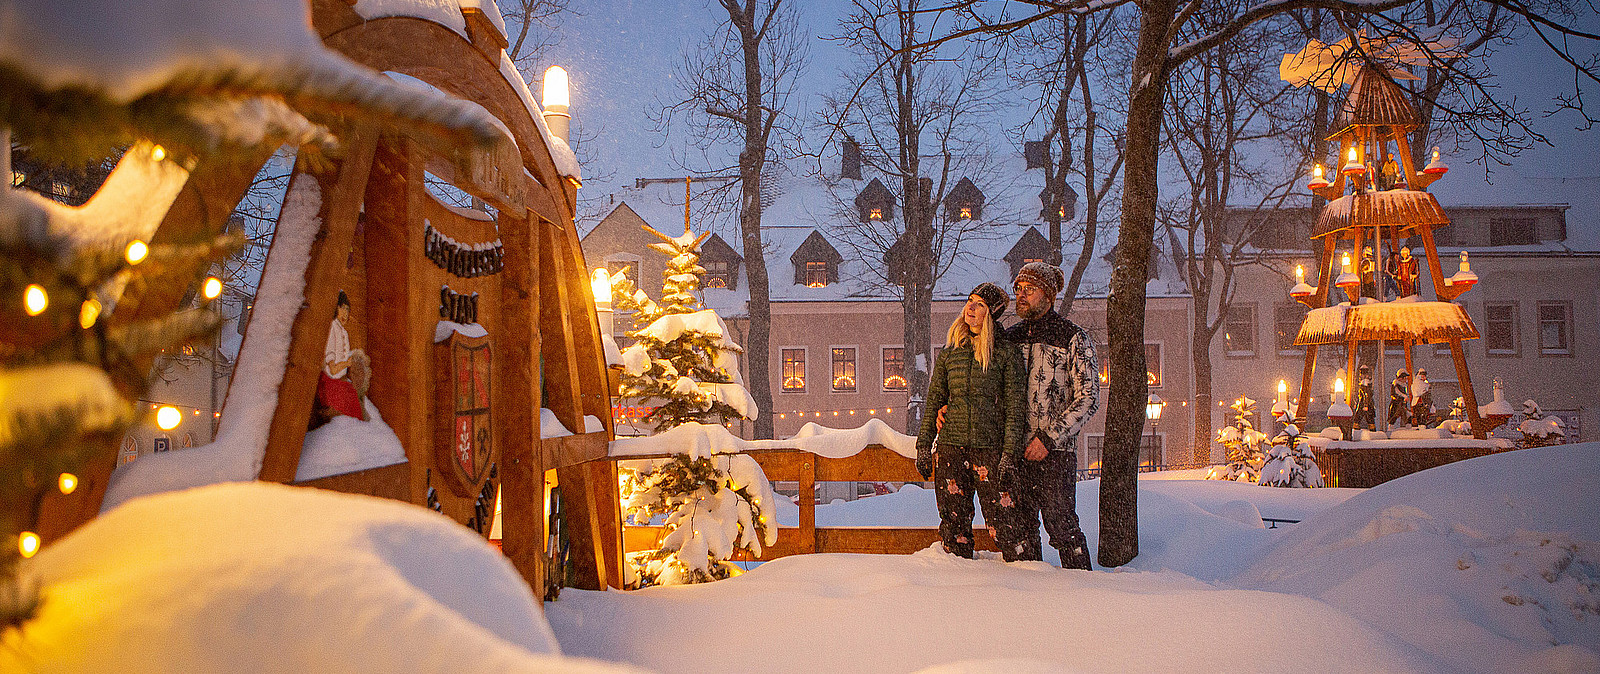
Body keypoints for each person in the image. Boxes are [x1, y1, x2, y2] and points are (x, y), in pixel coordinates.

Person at [916, 283, 1027, 559]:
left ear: (991, 314)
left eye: (980, 304)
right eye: (969, 301)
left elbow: (1015, 407)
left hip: (989, 449)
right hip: (951, 447)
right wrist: (924, 445)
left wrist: (1009, 454)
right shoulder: (951, 351)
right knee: (954, 528)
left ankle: (1025, 575)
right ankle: (958, 579)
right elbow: (935, 399)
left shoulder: (1005, 353)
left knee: (1004, 526)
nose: (971, 308)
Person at [1002, 262, 1099, 569]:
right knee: (1019, 533)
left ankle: (1083, 587)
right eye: (1018, 289)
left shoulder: (1072, 337)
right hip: (1013, 452)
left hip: (1055, 454)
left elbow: (1088, 397)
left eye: (1029, 289)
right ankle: (1028, 594)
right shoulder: (1009, 338)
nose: (1021, 295)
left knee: (1062, 528)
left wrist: (1048, 438)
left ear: (1047, 295)